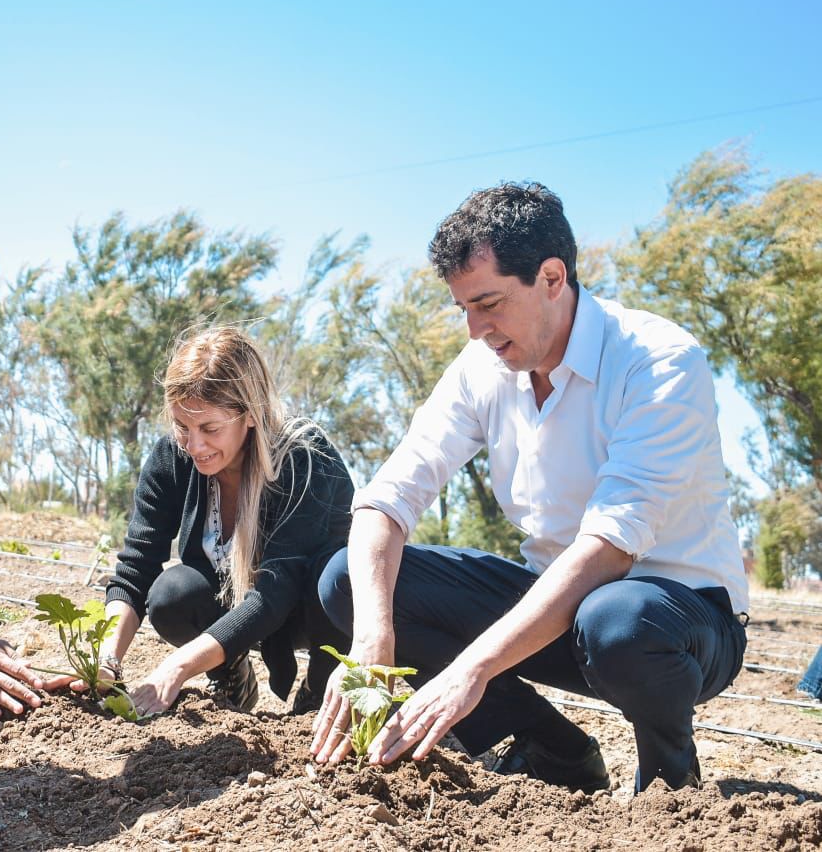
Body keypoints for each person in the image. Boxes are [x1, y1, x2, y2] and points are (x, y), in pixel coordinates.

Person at [310, 182, 749, 794]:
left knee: (616, 617)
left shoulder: (659, 360)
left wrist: (472, 669)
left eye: (488, 303)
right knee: (349, 581)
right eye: (462, 307)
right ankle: (558, 752)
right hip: (556, 612)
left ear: (551, 277)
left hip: (679, 623)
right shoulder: (481, 371)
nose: (473, 329)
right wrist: (371, 640)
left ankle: (670, 786)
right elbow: (389, 497)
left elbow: (612, 547)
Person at [84, 326, 354, 716]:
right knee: (171, 595)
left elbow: (275, 591)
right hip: (237, 605)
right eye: (182, 427)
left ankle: (321, 687)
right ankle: (230, 673)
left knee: (338, 577)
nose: (194, 446)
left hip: (308, 611)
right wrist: (106, 660)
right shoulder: (172, 459)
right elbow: (136, 569)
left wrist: (178, 666)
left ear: (250, 415)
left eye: (210, 428)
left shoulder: (304, 458)